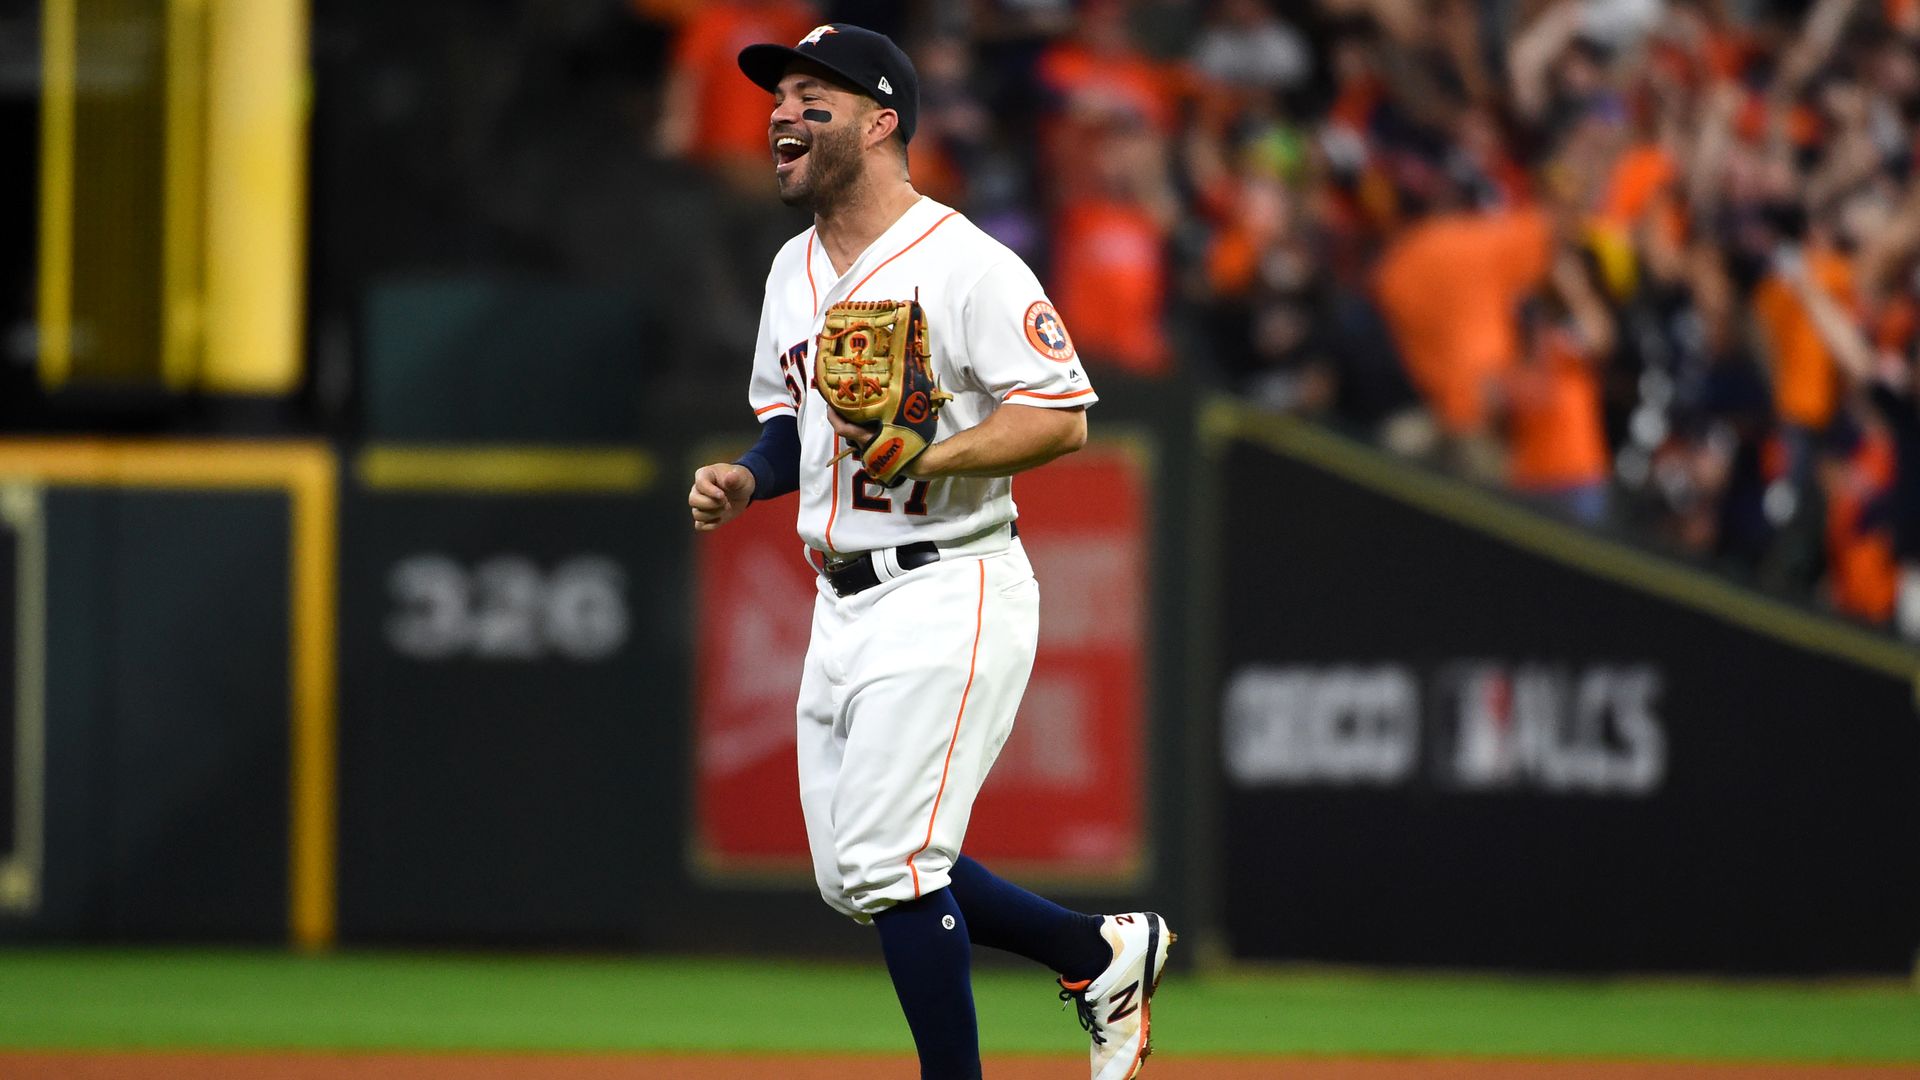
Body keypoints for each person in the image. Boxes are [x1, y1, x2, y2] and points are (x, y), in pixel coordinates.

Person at [685, 24, 1173, 1080]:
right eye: (778, 97)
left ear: (881, 119)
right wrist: (747, 476)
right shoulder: (790, 270)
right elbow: (790, 426)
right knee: (856, 878)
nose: (780, 114)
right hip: (843, 599)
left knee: (892, 863)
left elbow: (1060, 415)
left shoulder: (965, 262)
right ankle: (1097, 952)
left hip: (952, 577)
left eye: (812, 96)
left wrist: (937, 455)